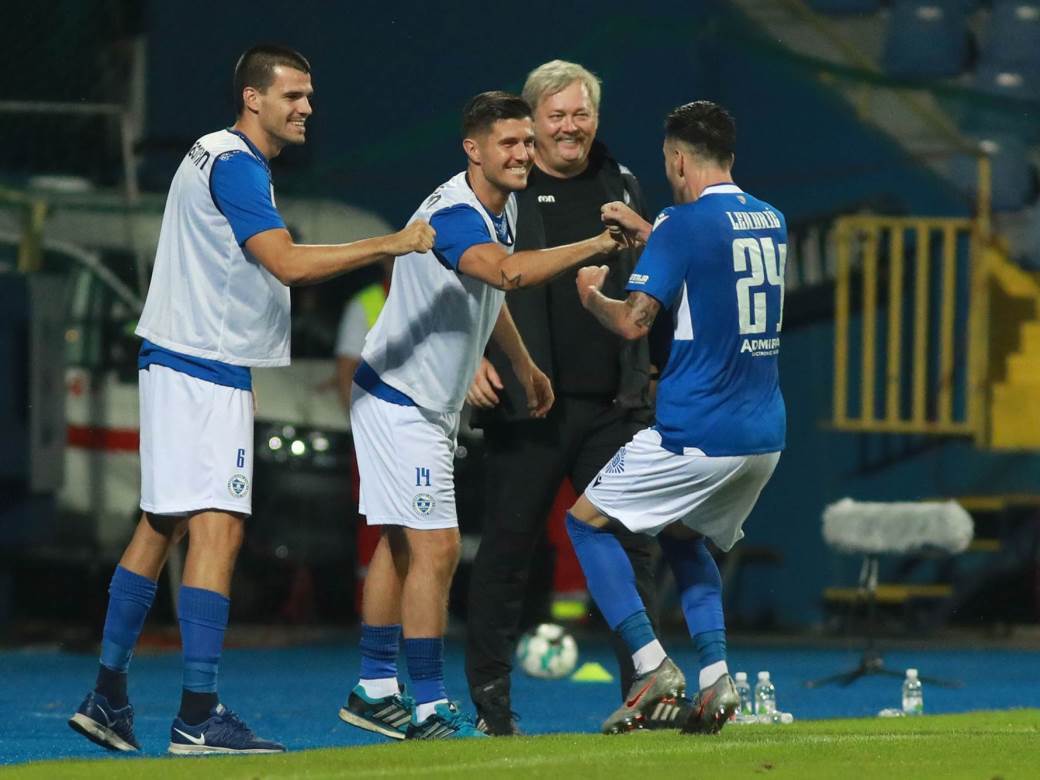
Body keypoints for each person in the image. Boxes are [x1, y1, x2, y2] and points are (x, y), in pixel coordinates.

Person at [67, 44, 435, 756]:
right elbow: (287, 263)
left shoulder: (215, 156)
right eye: (293, 95)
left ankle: (108, 696)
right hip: (203, 368)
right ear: (252, 99)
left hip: (180, 360)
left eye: (310, 95)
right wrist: (391, 243)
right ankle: (198, 715)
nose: (306, 108)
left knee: (160, 525)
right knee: (220, 529)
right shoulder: (236, 163)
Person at [337, 90, 631, 741]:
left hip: (410, 399)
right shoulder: (456, 215)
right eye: (510, 143)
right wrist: (592, 247)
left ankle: (375, 687)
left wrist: (524, 368)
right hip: (400, 402)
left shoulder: (504, 203)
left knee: (397, 542)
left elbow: (486, 300)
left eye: (528, 142)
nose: (524, 153)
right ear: (473, 150)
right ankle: (430, 706)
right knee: (437, 548)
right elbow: (509, 277)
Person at [565, 100, 786, 735]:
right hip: (763, 433)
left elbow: (635, 320)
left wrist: (591, 298)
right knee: (684, 538)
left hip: (698, 430)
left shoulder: (681, 226)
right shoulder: (771, 219)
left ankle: (650, 662)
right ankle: (717, 680)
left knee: (585, 524)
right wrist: (651, 229)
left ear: (679, 159)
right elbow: (711, 255)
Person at [463, 60, 663, 736]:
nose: (570, 127)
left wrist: (651, 367)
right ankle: (492, 705)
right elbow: (460, 275)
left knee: (634, 549)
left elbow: (657, 283)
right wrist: (472, 364)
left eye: (581, 114)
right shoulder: (503, 190)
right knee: (508, 554)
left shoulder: (624, 182)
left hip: (613, 407)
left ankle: (647, 689)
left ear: (595, 119)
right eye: (557, 116)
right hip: (530, 406)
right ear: (532, 123)